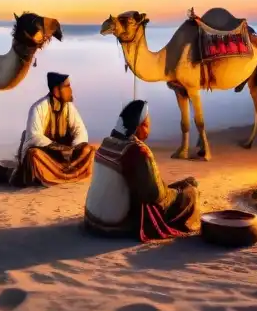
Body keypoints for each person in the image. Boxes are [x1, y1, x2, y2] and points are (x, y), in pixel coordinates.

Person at [83, 99, 202, 242]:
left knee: (185, 184)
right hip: (115, 224)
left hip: (92, 219)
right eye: (146, 125)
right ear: (138, 126)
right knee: (191, 192)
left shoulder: (106, 143)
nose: (148, 130)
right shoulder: (137, 151)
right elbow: (155, 196)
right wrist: (177, 193)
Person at [9, 72, 96, 187]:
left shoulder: (69, 107)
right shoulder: (38, 107)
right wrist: (59, 148)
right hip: (47, 156)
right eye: (67, 86)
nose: (70, 90)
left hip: (66, 158)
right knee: (34, 154)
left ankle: (66, 174)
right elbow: (34, 136)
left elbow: (80, 131)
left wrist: (73, 148)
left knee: (89, 149)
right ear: (56, 90)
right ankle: (53, 177)